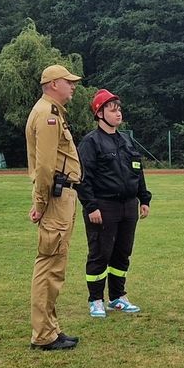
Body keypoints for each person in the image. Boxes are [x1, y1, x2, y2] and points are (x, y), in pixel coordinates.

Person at [76, 89, 152, 318]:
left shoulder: (126, 140)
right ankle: (95, 300)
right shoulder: (91, 142)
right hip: (103, 206)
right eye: (112, 109)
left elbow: (137, 170)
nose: (118, 113)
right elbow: (83, 177)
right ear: (99, 113)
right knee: (100, 253)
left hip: (128, 206)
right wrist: (91, 206)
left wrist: (143, 198)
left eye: (119, 108)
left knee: (122, 253)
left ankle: (118, 297)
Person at [26, 65, 83, 351]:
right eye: (68, 82)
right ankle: (44, 334)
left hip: (60, 196)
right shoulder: (48, 115)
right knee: (49, 266)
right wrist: (40, 203)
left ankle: (50, 329)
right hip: (56, 198)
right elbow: (45, 166)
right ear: (52, 84)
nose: (73, 86)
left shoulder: (52, 112)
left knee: (54, 265)